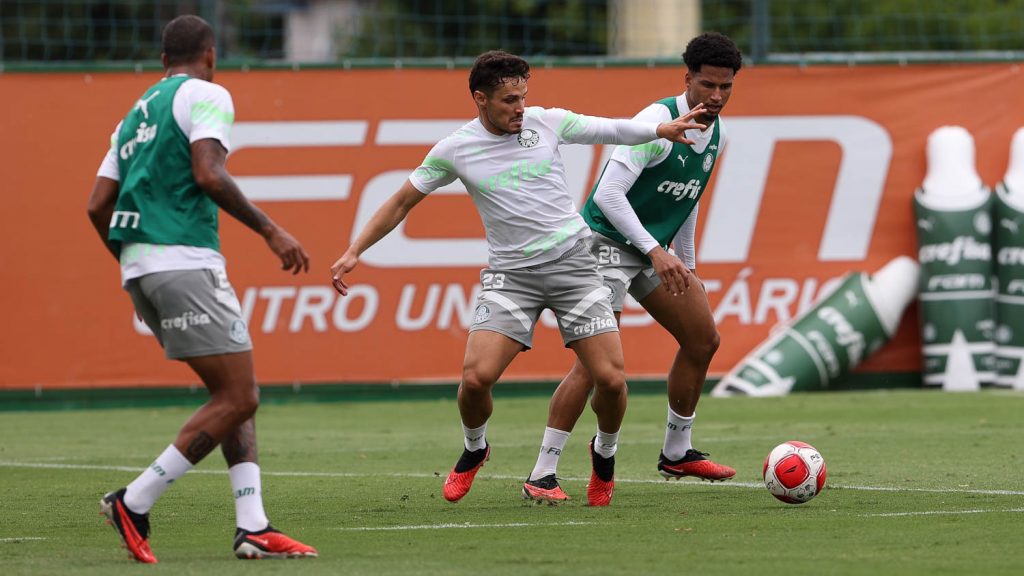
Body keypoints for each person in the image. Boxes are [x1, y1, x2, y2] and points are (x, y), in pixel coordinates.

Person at [330, 50, 707, 507]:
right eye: (510, 99)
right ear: (480, 99)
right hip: (511, 277)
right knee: (474, 379)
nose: (520, 108)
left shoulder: (546, 123)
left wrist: (659, 129)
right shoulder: (454, 149)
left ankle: (603, 456)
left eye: (523, 96)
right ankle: (475, 449)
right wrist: (354, 251)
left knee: (610, 381)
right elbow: (400, 203)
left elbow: (607, 127)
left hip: (575, 266)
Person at [86, 15, 317, 563]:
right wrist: (270, 229)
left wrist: (135, 262)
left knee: (235, 392)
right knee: (240, 396)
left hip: (143, 266)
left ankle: (253, 524)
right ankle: (134, 501)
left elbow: (97, 205)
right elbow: (209, 173)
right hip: (184, 261)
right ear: (210, 55)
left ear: (162, 59)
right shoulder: (205, 94)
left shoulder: (135, 115)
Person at [523, 32, 741, 506]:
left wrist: (686, 265)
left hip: (648, 253)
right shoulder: (655, 122)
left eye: (726, 87)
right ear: (687, 79)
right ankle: (543, 471)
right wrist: (656, 252)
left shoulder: (716, 133)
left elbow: (688, 203)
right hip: (601, 245)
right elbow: (607, 196)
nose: (717, 96)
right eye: (707, 85)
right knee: (597, 368)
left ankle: (677, 451)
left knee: (703, 337)